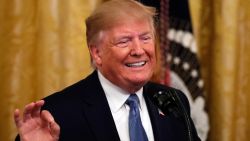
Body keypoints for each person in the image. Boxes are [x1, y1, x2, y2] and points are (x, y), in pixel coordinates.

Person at [14, 0, 201, 141]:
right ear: (97, 53)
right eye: (124, 41)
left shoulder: (173, 102)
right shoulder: (56, 114)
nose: (138, 50)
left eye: (145, 38)